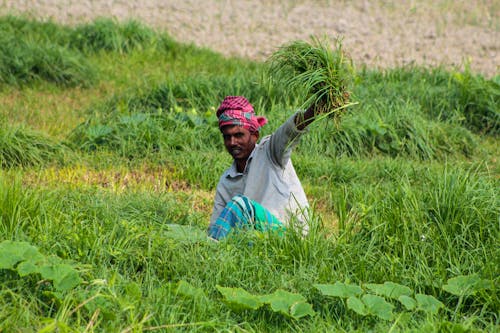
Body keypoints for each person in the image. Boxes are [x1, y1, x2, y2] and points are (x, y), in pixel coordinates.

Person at [207, 96, 319, 240]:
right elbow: (216, 226)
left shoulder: (271, 152)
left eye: (239, 135)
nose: (232, 142)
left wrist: (316, 108)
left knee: (239, 204)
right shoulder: (226, 181)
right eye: (227, 137)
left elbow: (291, 130)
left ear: (255, 136)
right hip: (259, 242)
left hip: (291, 239)